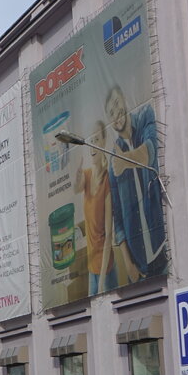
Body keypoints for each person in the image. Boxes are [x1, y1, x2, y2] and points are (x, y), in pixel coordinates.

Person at [105, 84, 166, 284]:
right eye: (111, 112)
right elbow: (118, 217)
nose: (116, 113)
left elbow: (151, 151)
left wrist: (125, 161)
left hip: (165, 249)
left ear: (124, 98)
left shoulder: (145, 116)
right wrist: (129, 265)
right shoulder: (113, 157)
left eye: (116, 103)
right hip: (138, 269)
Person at [75, 120, 117, 294]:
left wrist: (101, 282)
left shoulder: (107, 182)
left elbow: (108, 235)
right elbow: (77, 188)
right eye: (90, 141)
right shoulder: (87, 174)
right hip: (92, 266)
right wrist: (77, 174)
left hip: (105, 269)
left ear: (104, 142)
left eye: (97, 140)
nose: (93, 146)